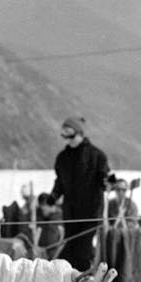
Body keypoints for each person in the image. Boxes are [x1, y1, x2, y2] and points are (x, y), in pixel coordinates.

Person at [50, 116, 112, 271]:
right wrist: (54, 196)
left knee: (82, 249)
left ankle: (83, 281)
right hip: (70, 212)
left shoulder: (97, 156)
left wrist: (108, 181)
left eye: (70, 134)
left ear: (79, 133)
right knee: (70, 246)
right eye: (64, 135)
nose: (68, 139)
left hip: (91, 212)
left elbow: (103, 177)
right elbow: (60, 182)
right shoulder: (62, 157)